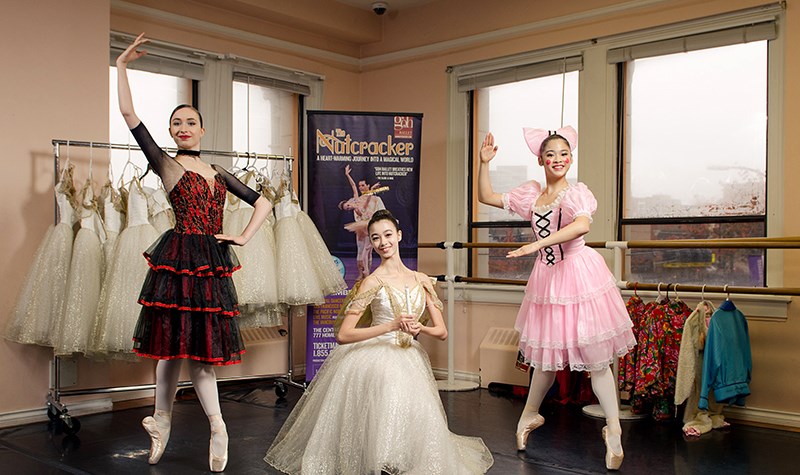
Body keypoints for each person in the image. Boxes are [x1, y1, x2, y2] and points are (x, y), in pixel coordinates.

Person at [117, 33, 273, 472]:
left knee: (202, 355)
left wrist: (242, 237)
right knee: (169, 349)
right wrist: (123, 65)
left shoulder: (219, 171)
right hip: (178, 258)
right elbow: (130, 114)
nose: (182, 128)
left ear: (202, 129)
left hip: (208, 264)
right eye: (175, 123)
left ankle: (218, 426)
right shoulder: (167, 164)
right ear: (171, 132)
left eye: (189, 122)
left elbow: (264, 202)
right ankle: (162, 421)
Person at [265, 209, 494, 474]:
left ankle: (400, 458)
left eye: (387, 235)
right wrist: (392, 325)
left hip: (410, 355)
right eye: (375, 238)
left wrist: (421, 327)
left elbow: (441, 331)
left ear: (399, 235)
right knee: (385, 397)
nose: (383, 242)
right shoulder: (371, 282)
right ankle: (378, 461)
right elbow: (343, 334)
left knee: (411, 412)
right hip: (374, 354)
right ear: (371, 243)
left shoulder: (422, 280)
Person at [477, 127, 636, 471]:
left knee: (597, 360)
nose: (558, 159)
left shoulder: (576, 194)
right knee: (546, 360)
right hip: (548, 282)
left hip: (579, 275)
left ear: (571, 158)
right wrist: (484, 163)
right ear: (541, 160)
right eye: (551, 154)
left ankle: (614, 430)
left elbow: (581, 227)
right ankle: (528, 416)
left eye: (564, 153)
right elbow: (486, 197)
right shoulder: (532, 195)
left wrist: (537, 244)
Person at [342, 164, 385, 279]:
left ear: (368, 185)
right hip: (361, 228)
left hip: (371, 228)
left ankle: (367, 273)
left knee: (368, 252)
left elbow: (381, 213)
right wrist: (347, 175)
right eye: (359, 185)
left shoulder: (376, 199)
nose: (361, 187)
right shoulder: (357, 199)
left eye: (363, 185)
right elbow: (353, 186)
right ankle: (361, 273)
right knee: (360, 251)